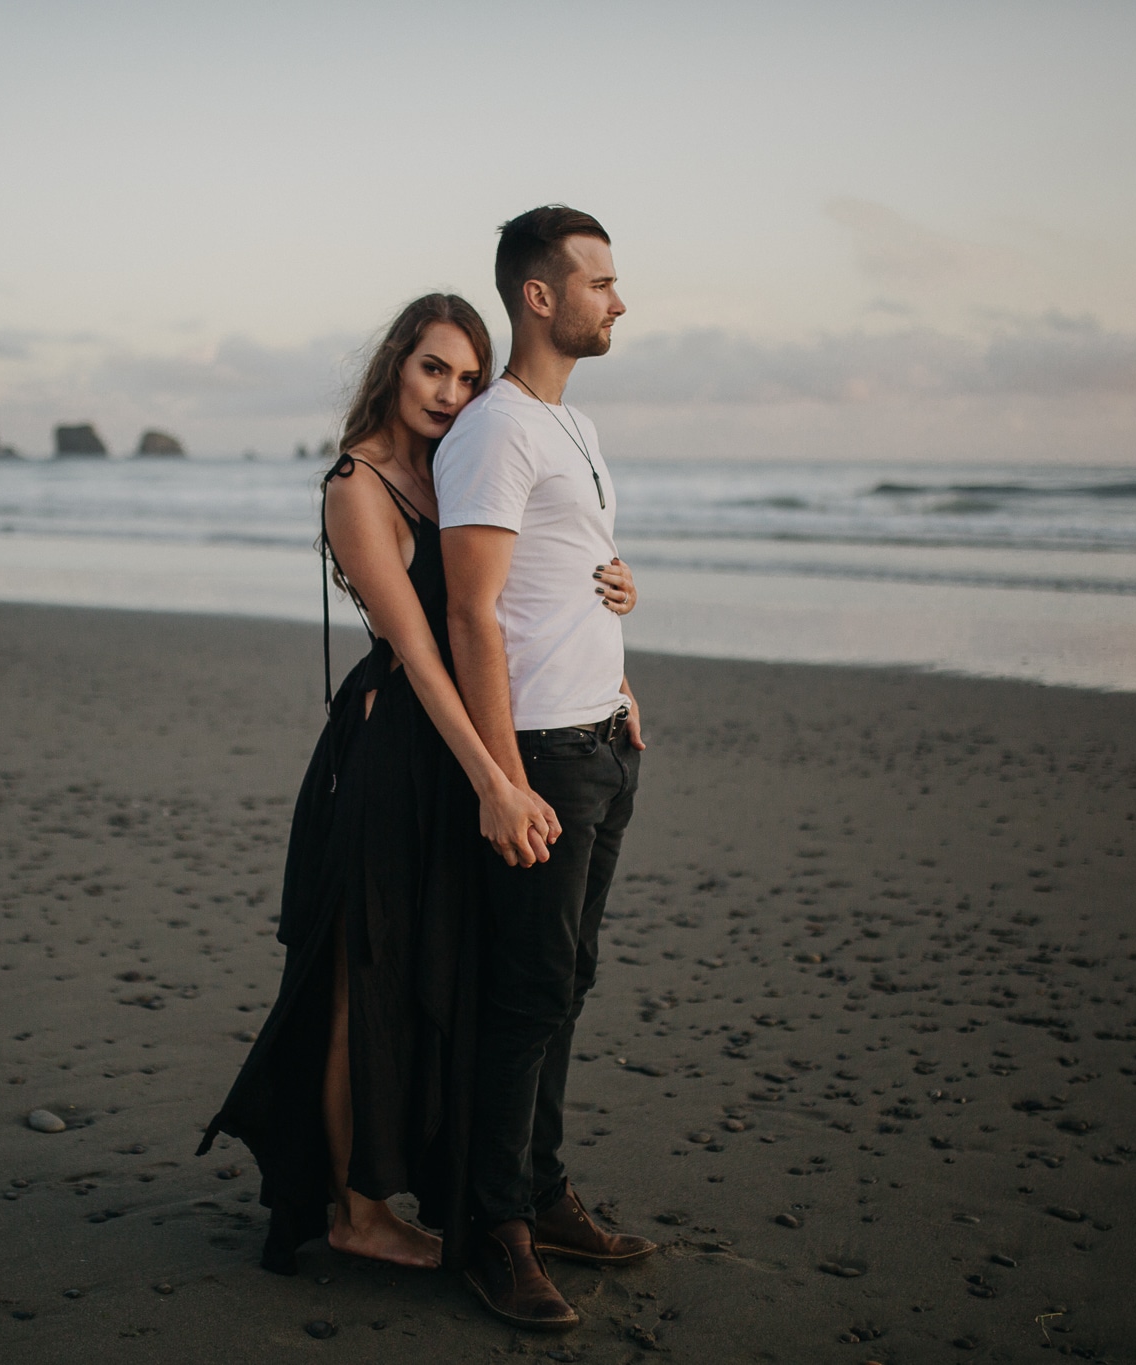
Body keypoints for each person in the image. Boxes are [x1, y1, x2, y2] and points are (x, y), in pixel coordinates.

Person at [198, 292, 639, 1277]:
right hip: (401, 751)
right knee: (366, 981)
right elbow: (422, 648)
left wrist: (613, 593)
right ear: (394, 365)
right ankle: (354, 1211)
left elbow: (525, 583)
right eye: (432, 368)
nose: (450, 392)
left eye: (468, 377)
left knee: (444, 975)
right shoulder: (357, 484)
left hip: (463, 747)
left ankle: (462, 1189)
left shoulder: (455, 468)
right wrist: (492, 775)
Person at [435, 206, 654, 1330]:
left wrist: (622, 672)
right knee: (523, 995)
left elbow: (569, 572)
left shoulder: (574, 429)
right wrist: (498, 779)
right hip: (541, 763)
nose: (618, 301)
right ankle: (494, 1234)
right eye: (599, 283)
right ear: (538, 294)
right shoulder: (494, 430)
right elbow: (471, 613)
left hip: (602, 743)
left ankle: (538, 1188)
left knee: (565, 983)